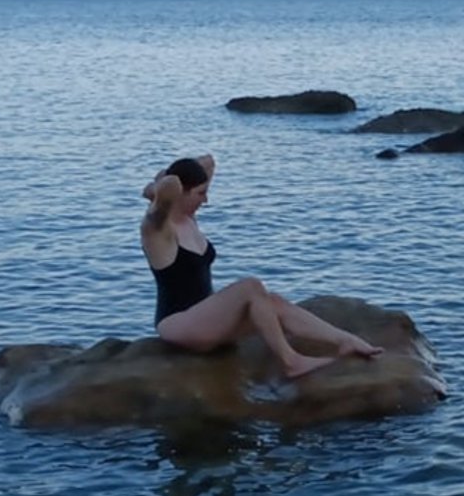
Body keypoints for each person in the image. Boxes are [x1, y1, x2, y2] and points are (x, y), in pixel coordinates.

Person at [141, 154, 381, 378]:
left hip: (206, 319)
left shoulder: (188, 217)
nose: (206, 200)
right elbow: (169, 182)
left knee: (273, 301)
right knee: (250, 287)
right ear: (181, 193)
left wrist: (166, 186)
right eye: (201, 193)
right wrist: (154, 190)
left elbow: (208, 161)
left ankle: (345, 340)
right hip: (178, 323)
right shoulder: (157, 229)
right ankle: (290, 362)